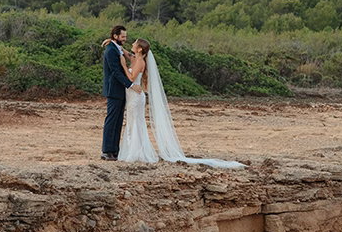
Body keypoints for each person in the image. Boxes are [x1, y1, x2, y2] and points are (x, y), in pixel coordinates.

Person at [103, 35, 245, 168]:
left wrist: (122, 65)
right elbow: (124, 51)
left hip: (135, 97)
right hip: (133, 97)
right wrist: (112, 42)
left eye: (134, 44)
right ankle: (134, 151)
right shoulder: (136, 58)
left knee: (136, 123)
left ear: (139, 49)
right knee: (133, 123)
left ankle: (136, 152)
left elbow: (131, 78)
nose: (131, 44)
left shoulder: (139, 62)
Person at [101, 25, 142, 161]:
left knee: (118, 121)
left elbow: (129, 56)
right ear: (115, 36)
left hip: (121, 91)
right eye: (123, 37)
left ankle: (114, 150)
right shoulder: (111, 50)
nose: (125, 39)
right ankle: (106, 151)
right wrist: (130, 85)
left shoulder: (116, 48)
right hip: (114, 90)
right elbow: (115, 71)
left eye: (125, 36)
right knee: (112, 119)